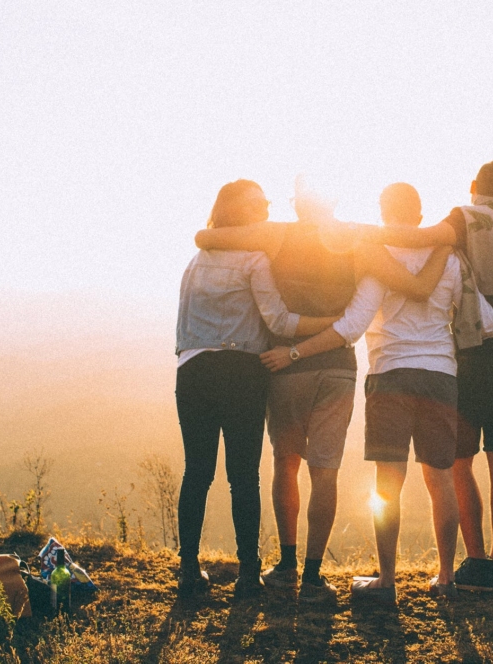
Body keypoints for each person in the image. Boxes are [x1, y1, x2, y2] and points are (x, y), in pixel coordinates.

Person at [261, 183, 493, 602]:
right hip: (441, 378)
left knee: (388, 484)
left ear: (383, 212)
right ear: (419, 216)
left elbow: (352, 326)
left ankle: (386, 582)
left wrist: (295, 352)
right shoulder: (450, 259)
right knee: (441, 480)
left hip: (391, 376)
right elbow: (486, 320)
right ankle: (447, 578)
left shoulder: (378, 258)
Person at [193, 178, 450, 603]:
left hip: (284, 366)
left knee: (286, 462)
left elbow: (207, 237)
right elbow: (414, 285)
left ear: (298, 205)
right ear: (334, 200)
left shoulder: (277, 234)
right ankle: (313, 576)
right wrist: (444, 243)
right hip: (337, 368)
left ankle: (287, 564)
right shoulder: (358, 240)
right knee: (325, 471)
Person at [360, 161, 493, 592]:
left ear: (473, 186)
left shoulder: (466, 217)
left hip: (477, 351)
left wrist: (359, 234)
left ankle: (474, 562)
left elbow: (422, 239)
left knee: (456, 463)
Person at [175, 179, 338, 600]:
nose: (267, 207)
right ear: (240, 212)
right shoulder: (254, 259)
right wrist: (332, 324)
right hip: (241, 372)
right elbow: (280, 323)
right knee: (242, 476)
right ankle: (248, 575)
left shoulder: (196, 261)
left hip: (192, 370)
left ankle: (189, 572)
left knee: (197, 472)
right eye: (259, 203)